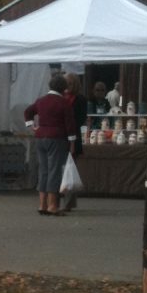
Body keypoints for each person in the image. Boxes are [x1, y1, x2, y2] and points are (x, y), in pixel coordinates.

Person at [24, 75, 77, 216]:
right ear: (63, 88)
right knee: (54, 170)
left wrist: (32, 126)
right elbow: (70, 124)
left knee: (44, 170)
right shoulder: (64, 103)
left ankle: (42, 204)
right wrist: (72, 142)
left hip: (40, 137)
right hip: (57, 138)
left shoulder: (41, 101)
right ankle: (52, 205)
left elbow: (28, 111)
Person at [61, 73, 87, 212]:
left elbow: (81, 119)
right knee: (60, 169)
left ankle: (68, 202)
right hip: (59, 137)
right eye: (65, 83)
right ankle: (59, 200)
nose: (67, 86)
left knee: (70, 170)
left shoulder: (80, 99)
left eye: (70, 83)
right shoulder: (59, 98)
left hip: (73, 138)